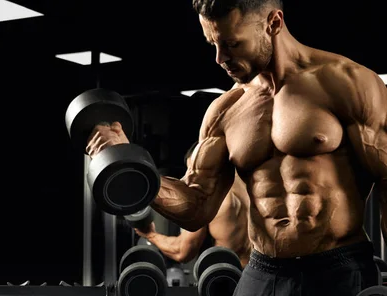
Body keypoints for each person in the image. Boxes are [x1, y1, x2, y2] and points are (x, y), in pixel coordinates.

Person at [86, 0, 387, 294]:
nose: (219, 57)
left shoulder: (347, 83)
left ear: (273, 23)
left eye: (232, 43)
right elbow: (197, 205)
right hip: (262, 270)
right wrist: (128, 161)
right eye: (212, 44)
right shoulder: (226, 110)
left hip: (338, 269)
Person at [135, 143, 251, 268]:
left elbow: (182, 251)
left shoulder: (207, 196)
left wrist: (150, 235)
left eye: (193, 170)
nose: (189, 177)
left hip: (230, 278)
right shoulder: (257, 184)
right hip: (263, 275)